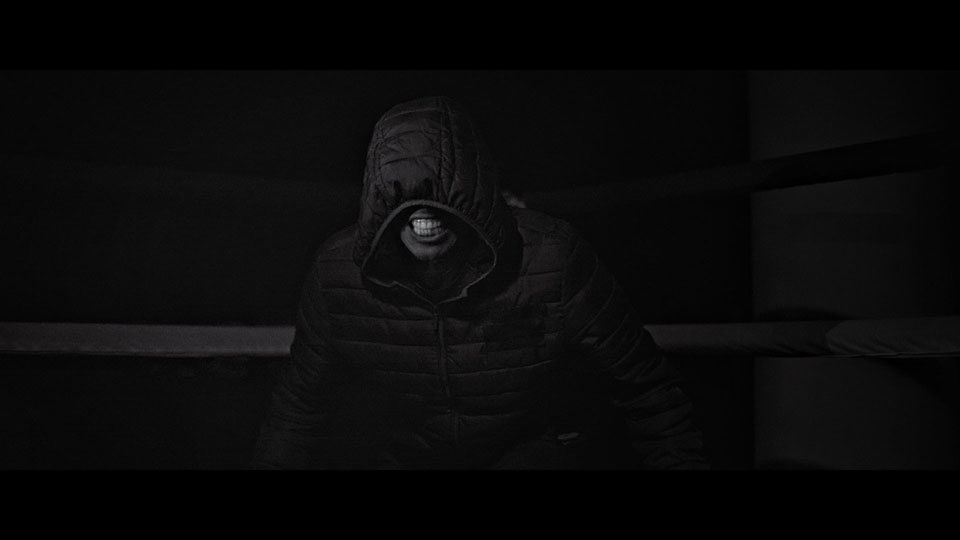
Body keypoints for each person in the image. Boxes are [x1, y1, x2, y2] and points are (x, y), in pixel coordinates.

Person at [252, 96, 708, 469]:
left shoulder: (553, 256)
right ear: (377, 195)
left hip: (537, 451)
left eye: (444, 193)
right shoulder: (338, 273)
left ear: (477, 192)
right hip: (408, 459)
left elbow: (647, 389)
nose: (423, 210)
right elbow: (300, 406)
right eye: (401, 193)